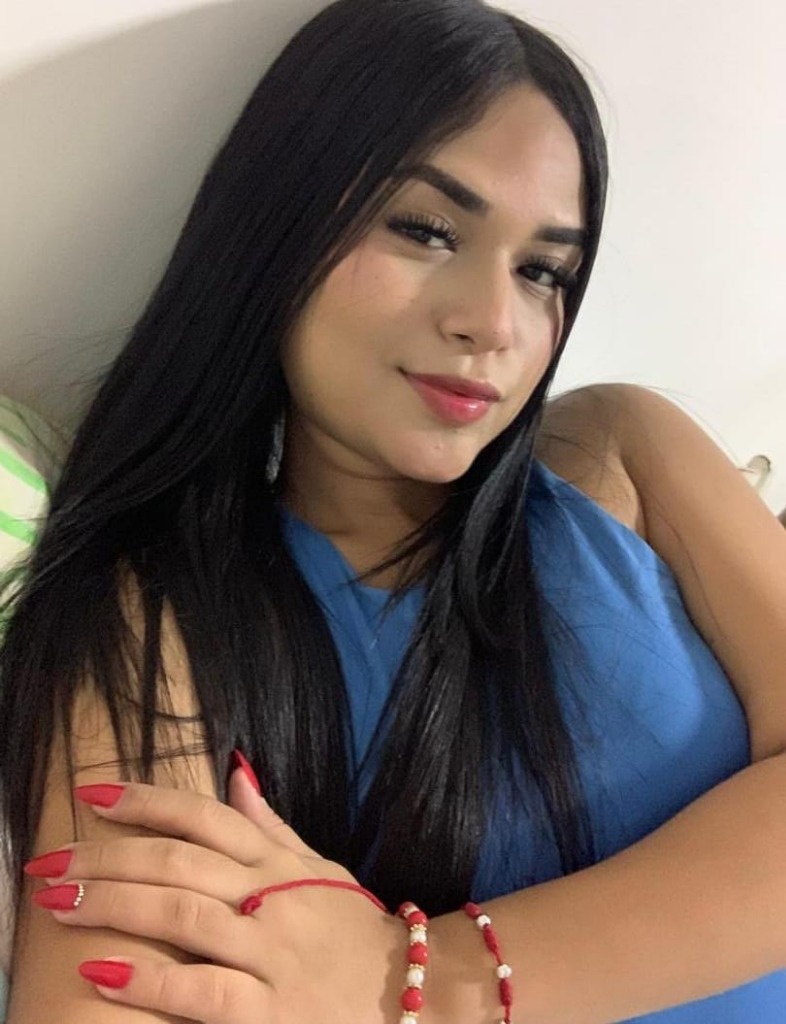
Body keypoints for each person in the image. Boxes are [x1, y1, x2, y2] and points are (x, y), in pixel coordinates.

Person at [2, 0, 786, 1020]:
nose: (493, 323)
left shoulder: (622, 451)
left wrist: (423, 975)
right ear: (279, 226)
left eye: (543, 271)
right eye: (425, 229)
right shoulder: (155, 625)